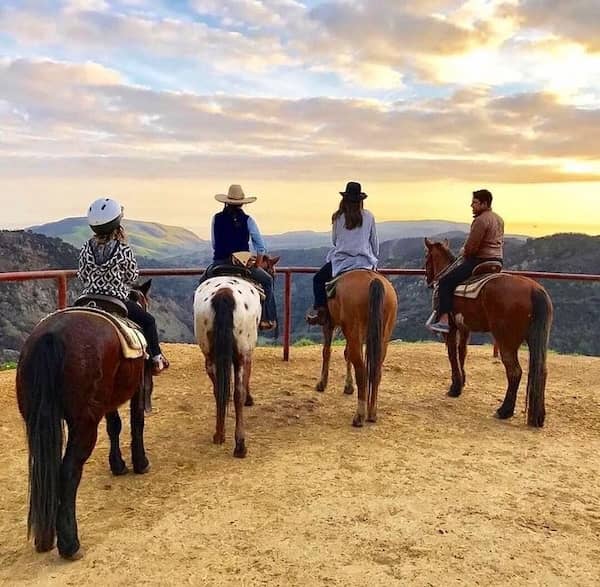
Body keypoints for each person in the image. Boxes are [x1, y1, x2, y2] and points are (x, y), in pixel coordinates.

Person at [77, 197, 169, 375]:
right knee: (149, 321)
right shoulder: (123, 250)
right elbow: (132, 276)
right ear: (117, 223)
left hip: (87, 299)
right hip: (116, 300)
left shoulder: (85, 247)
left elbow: (82, 275)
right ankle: (156, 359)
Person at [428, 189, 504, 334]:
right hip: (497, 261)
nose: (471, 206)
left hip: (479, 261)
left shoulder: (480, 220)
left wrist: (464, 250)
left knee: (445, 282)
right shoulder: (499, 219)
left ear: (484, 203)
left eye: (475, 203)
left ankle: (444, 319)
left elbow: (472, 248)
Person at [306, 181, 379, 325]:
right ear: (360, 200)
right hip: (365, 262)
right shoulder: (369, 216)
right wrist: (374, 258)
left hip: (341, 263)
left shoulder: (338, 217)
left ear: (344, 199)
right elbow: (374, 243)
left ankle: (322, 312)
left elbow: (334, 241)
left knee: (318, 280)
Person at [211, 184, 277, 330]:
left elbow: (215, 245)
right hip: (241, 264)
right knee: (267, 280)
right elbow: (260, 247)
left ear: (226, 201)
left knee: (202, 282)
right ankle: (267, 318)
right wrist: (257, 264)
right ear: (242, 203)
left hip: (220, 262)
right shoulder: (248, 220)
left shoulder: (216, 218)